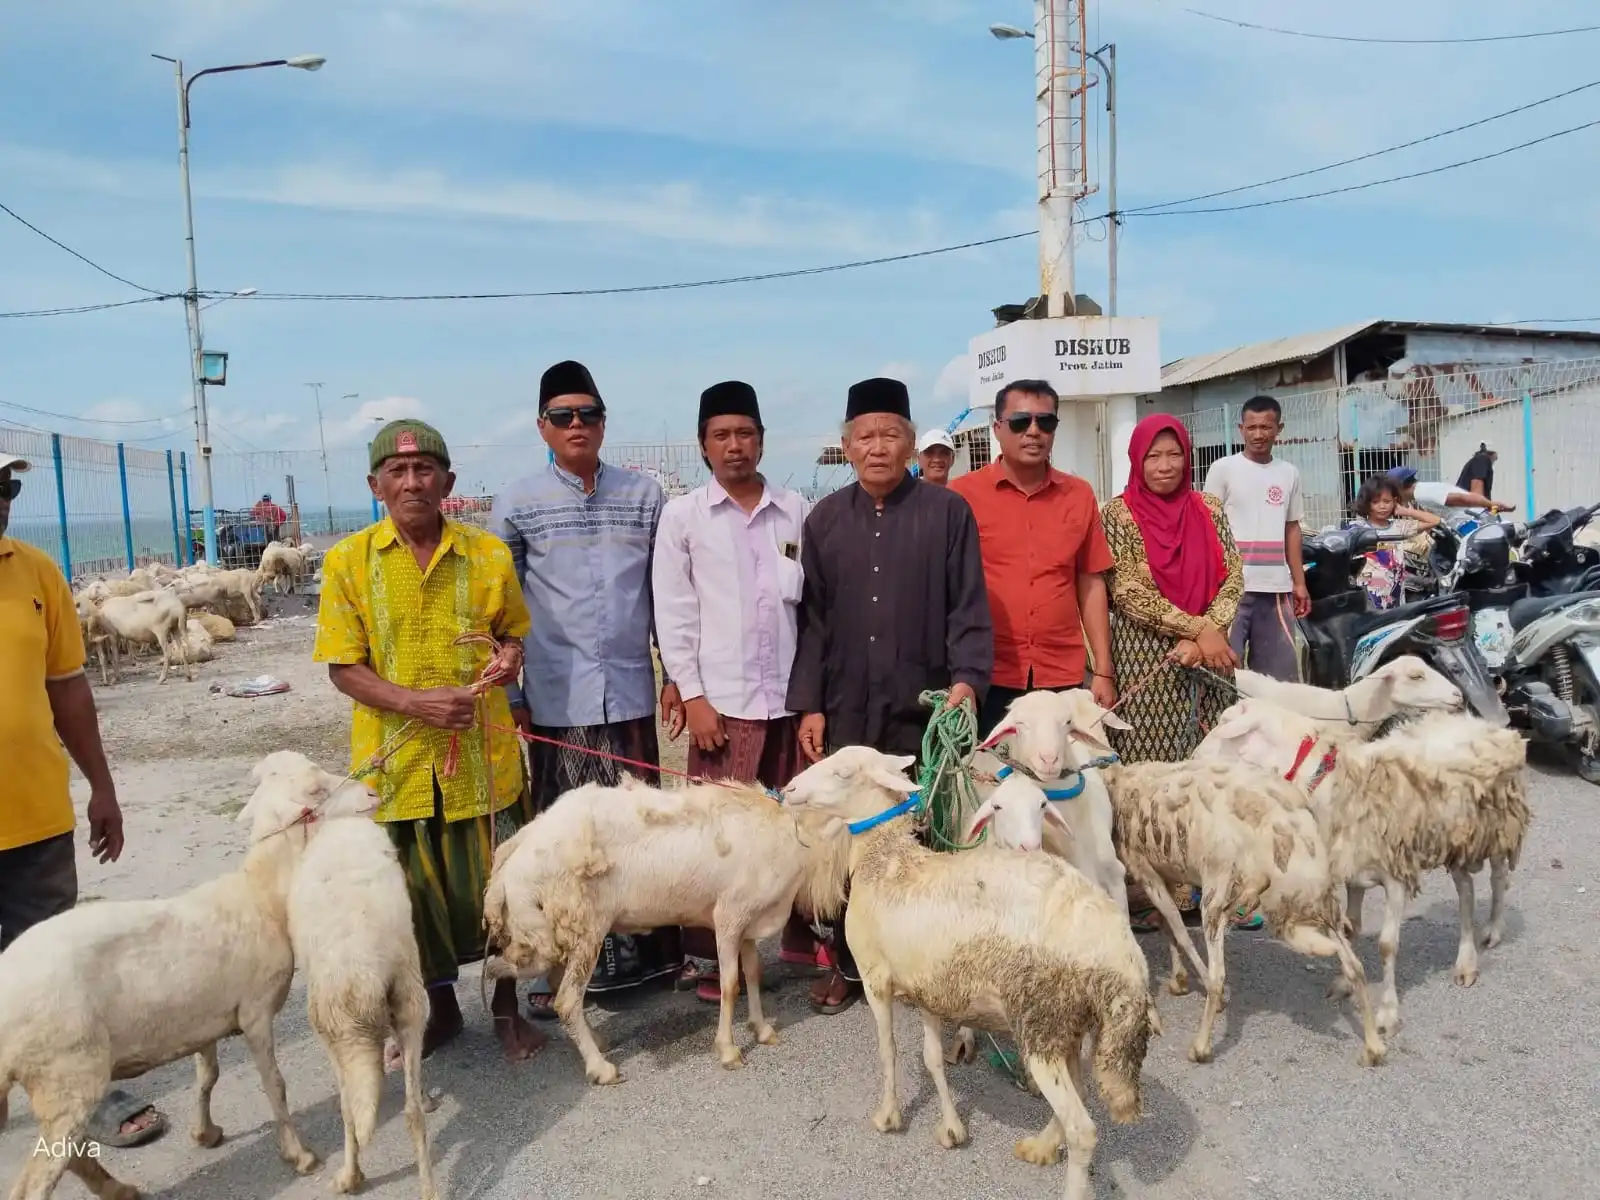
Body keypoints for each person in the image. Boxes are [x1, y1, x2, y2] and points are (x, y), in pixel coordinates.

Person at [313, 421, 544, 1062]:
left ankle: (505, 1009)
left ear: (448, 481)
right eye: (397, 471)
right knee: (416, 901)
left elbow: (513, 635)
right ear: (375, 484)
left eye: (425, 471)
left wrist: (508, 659)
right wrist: (415, 704)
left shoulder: (489, 555)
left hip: (483, 765)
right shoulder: (347, 563)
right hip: (397, 771)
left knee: (499, 892)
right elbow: (342, 665)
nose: (412, 482)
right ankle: (441, 1013)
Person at [788, 376, 993, 1015]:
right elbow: (813, 621)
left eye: (890, 434)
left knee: (928, 832)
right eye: (865, 436)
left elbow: (968, 605)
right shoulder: (824, 521)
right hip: (849, 705)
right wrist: (812, 704)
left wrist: (966, 681)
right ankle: (851, 964)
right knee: (853, 839)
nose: (878, 447)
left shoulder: (947, 512)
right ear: (846, 447)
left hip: (925, 702)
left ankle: (934, 963)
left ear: (910, 442)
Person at [492, 359, 690, 1012]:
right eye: (563, 416)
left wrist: (673, 674)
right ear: (542, 426)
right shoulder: (517, 504)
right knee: (564, 838)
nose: (578, 426)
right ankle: (564, 969)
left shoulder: (643, 497)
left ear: (604, 423)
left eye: (589, 415)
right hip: (557, 699)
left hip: (632, 688)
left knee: (638, 826)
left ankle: (651, 960)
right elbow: (503, 612)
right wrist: (513, 696)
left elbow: (663, 593)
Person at [0, 454, 170, 1148]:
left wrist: (102, 786)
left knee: (51, 969)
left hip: (35, 815)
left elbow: (67, 687)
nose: (1, 499)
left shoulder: (37, 572)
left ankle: (82, 1091)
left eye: (6, 487)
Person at [652, 380, 824, 1004]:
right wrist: (692, 695)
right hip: (721, 704)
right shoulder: (683, 517)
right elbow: (673, 612)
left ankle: (803, 938)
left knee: (796, 823)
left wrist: (813, 697)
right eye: (721, 435)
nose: (735, 446)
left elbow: (813, 608)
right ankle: (708, 957)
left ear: (762, 440)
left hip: (789, 699)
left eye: (745, 434)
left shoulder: (796, 511)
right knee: (717, 832)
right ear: (703, 445)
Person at [1098, 420, 1258, 931]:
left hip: (1210, 657)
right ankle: (1156, 890)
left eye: (1173, 455)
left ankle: (1221, 885)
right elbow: (1126, 590)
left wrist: (1208, 633)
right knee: (1153, 780)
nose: (1164, 467)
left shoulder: (1208, 508)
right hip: (1147, 656)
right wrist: (1196, 629)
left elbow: (1234, 572)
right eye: (1153, 457)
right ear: (1136, 461)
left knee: (1212, 771)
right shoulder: (1116, 514)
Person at [949, 379, 1116, 734]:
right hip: (985, 675)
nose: (1034, 432)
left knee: (1060, 779)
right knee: (989, 781)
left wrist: (1103, 670)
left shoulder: (1078, 495)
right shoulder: (962, 496)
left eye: (1046, 422)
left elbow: (1090, 581)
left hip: (1061, 674)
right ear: (997, 429)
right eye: (1021, 422)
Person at [1202, 394, 1309, 682]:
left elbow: (1292, 528)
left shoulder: (1289, 473)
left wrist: (1299, 583)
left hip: (1275, 591)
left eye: (1266, 427)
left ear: (1279, 428)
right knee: (1224, 674)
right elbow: (1206, 524)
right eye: (1252, 428)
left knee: (1279, 682)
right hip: (1229, 591)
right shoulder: (1223, 469)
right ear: (1241, 429)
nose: (1258, 434)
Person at [1350, 474, 1440, 610]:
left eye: (1387, 501)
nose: (1382, 506)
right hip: (1368, 595)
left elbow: (1435, 520)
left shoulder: (1399, 527)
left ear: (1395, 501)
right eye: (1375, 502)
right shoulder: (1358, 530)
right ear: (1367, 503)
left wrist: (1405, 511)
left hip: (1395, 595)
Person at [1388, 465, 1515, 516]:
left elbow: (1462, 499)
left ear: (1401, 487)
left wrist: (1491, 504)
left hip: (1478, 524)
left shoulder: (1423, 493)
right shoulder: (1420, 493)